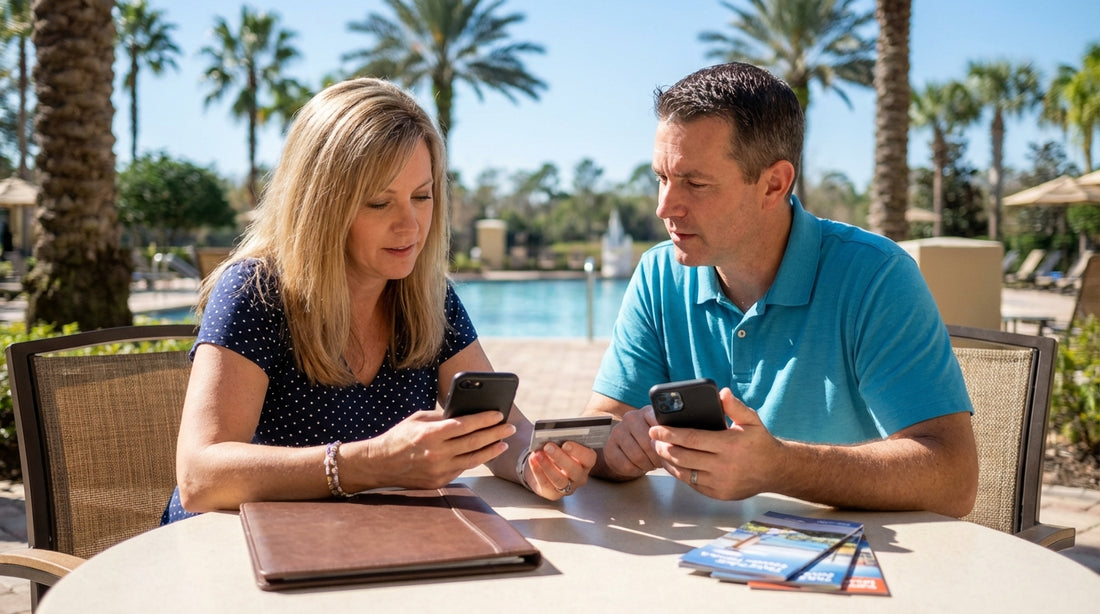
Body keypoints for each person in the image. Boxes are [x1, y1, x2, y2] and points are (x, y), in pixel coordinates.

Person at [164, 78, 594, 523]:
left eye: (422, 196)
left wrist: (535, 466)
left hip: (357, 540)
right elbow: (201, 477)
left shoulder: (428, 297)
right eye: (378, 203)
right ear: (322, 205)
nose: (410, 226)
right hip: (232, 552)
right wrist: (371, 463)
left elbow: (500, 428)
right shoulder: (253, 291)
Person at [582, 62, 978, 518]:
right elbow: (602, 422)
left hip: (860, 566)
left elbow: (953, 478)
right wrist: (615, 450)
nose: (664, 206)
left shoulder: (876, 276)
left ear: (774, 184)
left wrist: (780, 467)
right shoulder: (658, 273)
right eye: (662, 177)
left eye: (695, 183)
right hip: (694, 559)